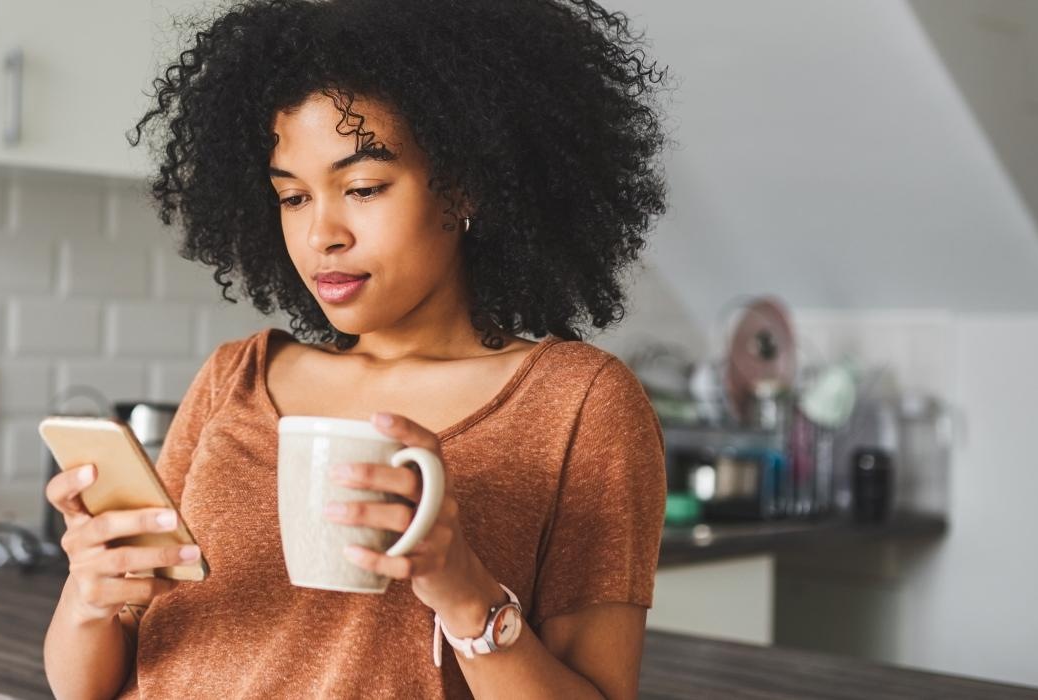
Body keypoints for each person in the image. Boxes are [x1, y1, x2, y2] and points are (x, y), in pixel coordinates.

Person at [44, 0, 670, 696]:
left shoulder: (578, 404)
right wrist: (91, 595)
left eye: (363, 187)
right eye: (292, 198)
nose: (322, 235)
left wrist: (464, 593)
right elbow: (87, 688)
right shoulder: (236, 377)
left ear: (463, 185)